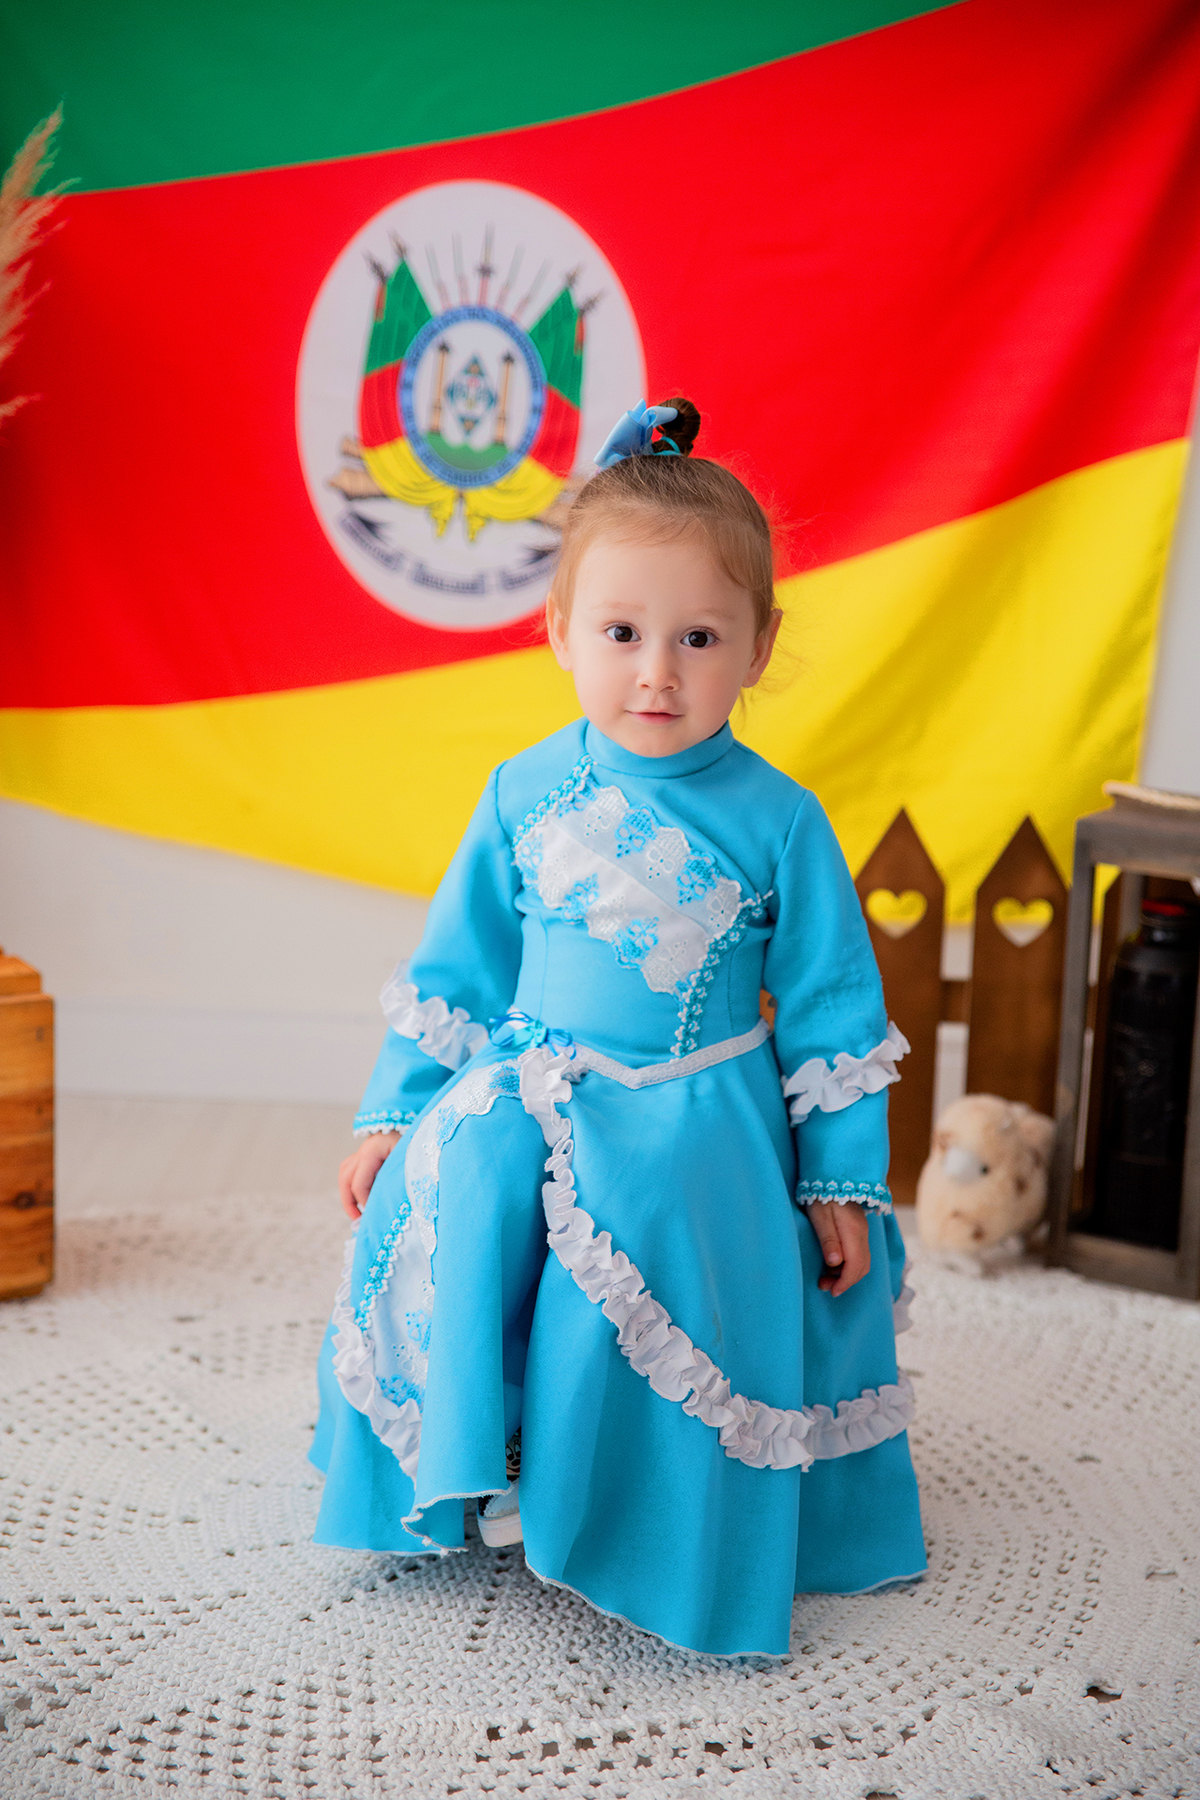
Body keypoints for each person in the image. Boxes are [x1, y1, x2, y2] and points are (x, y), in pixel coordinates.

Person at [309, 397, 926, 1657]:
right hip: (532, 1073)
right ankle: (469, 1458)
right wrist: (396, 1104)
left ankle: (632, 1509)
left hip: (694, 1105)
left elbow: (827, 1011)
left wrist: (841, 1182)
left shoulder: (782, 820)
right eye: (624, 632)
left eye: (699, 636)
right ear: (558, 633)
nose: (658, 670)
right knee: (458, 1172)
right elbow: (459, 966)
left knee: (661, 1221)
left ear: (759, 647)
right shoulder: (523, 790)